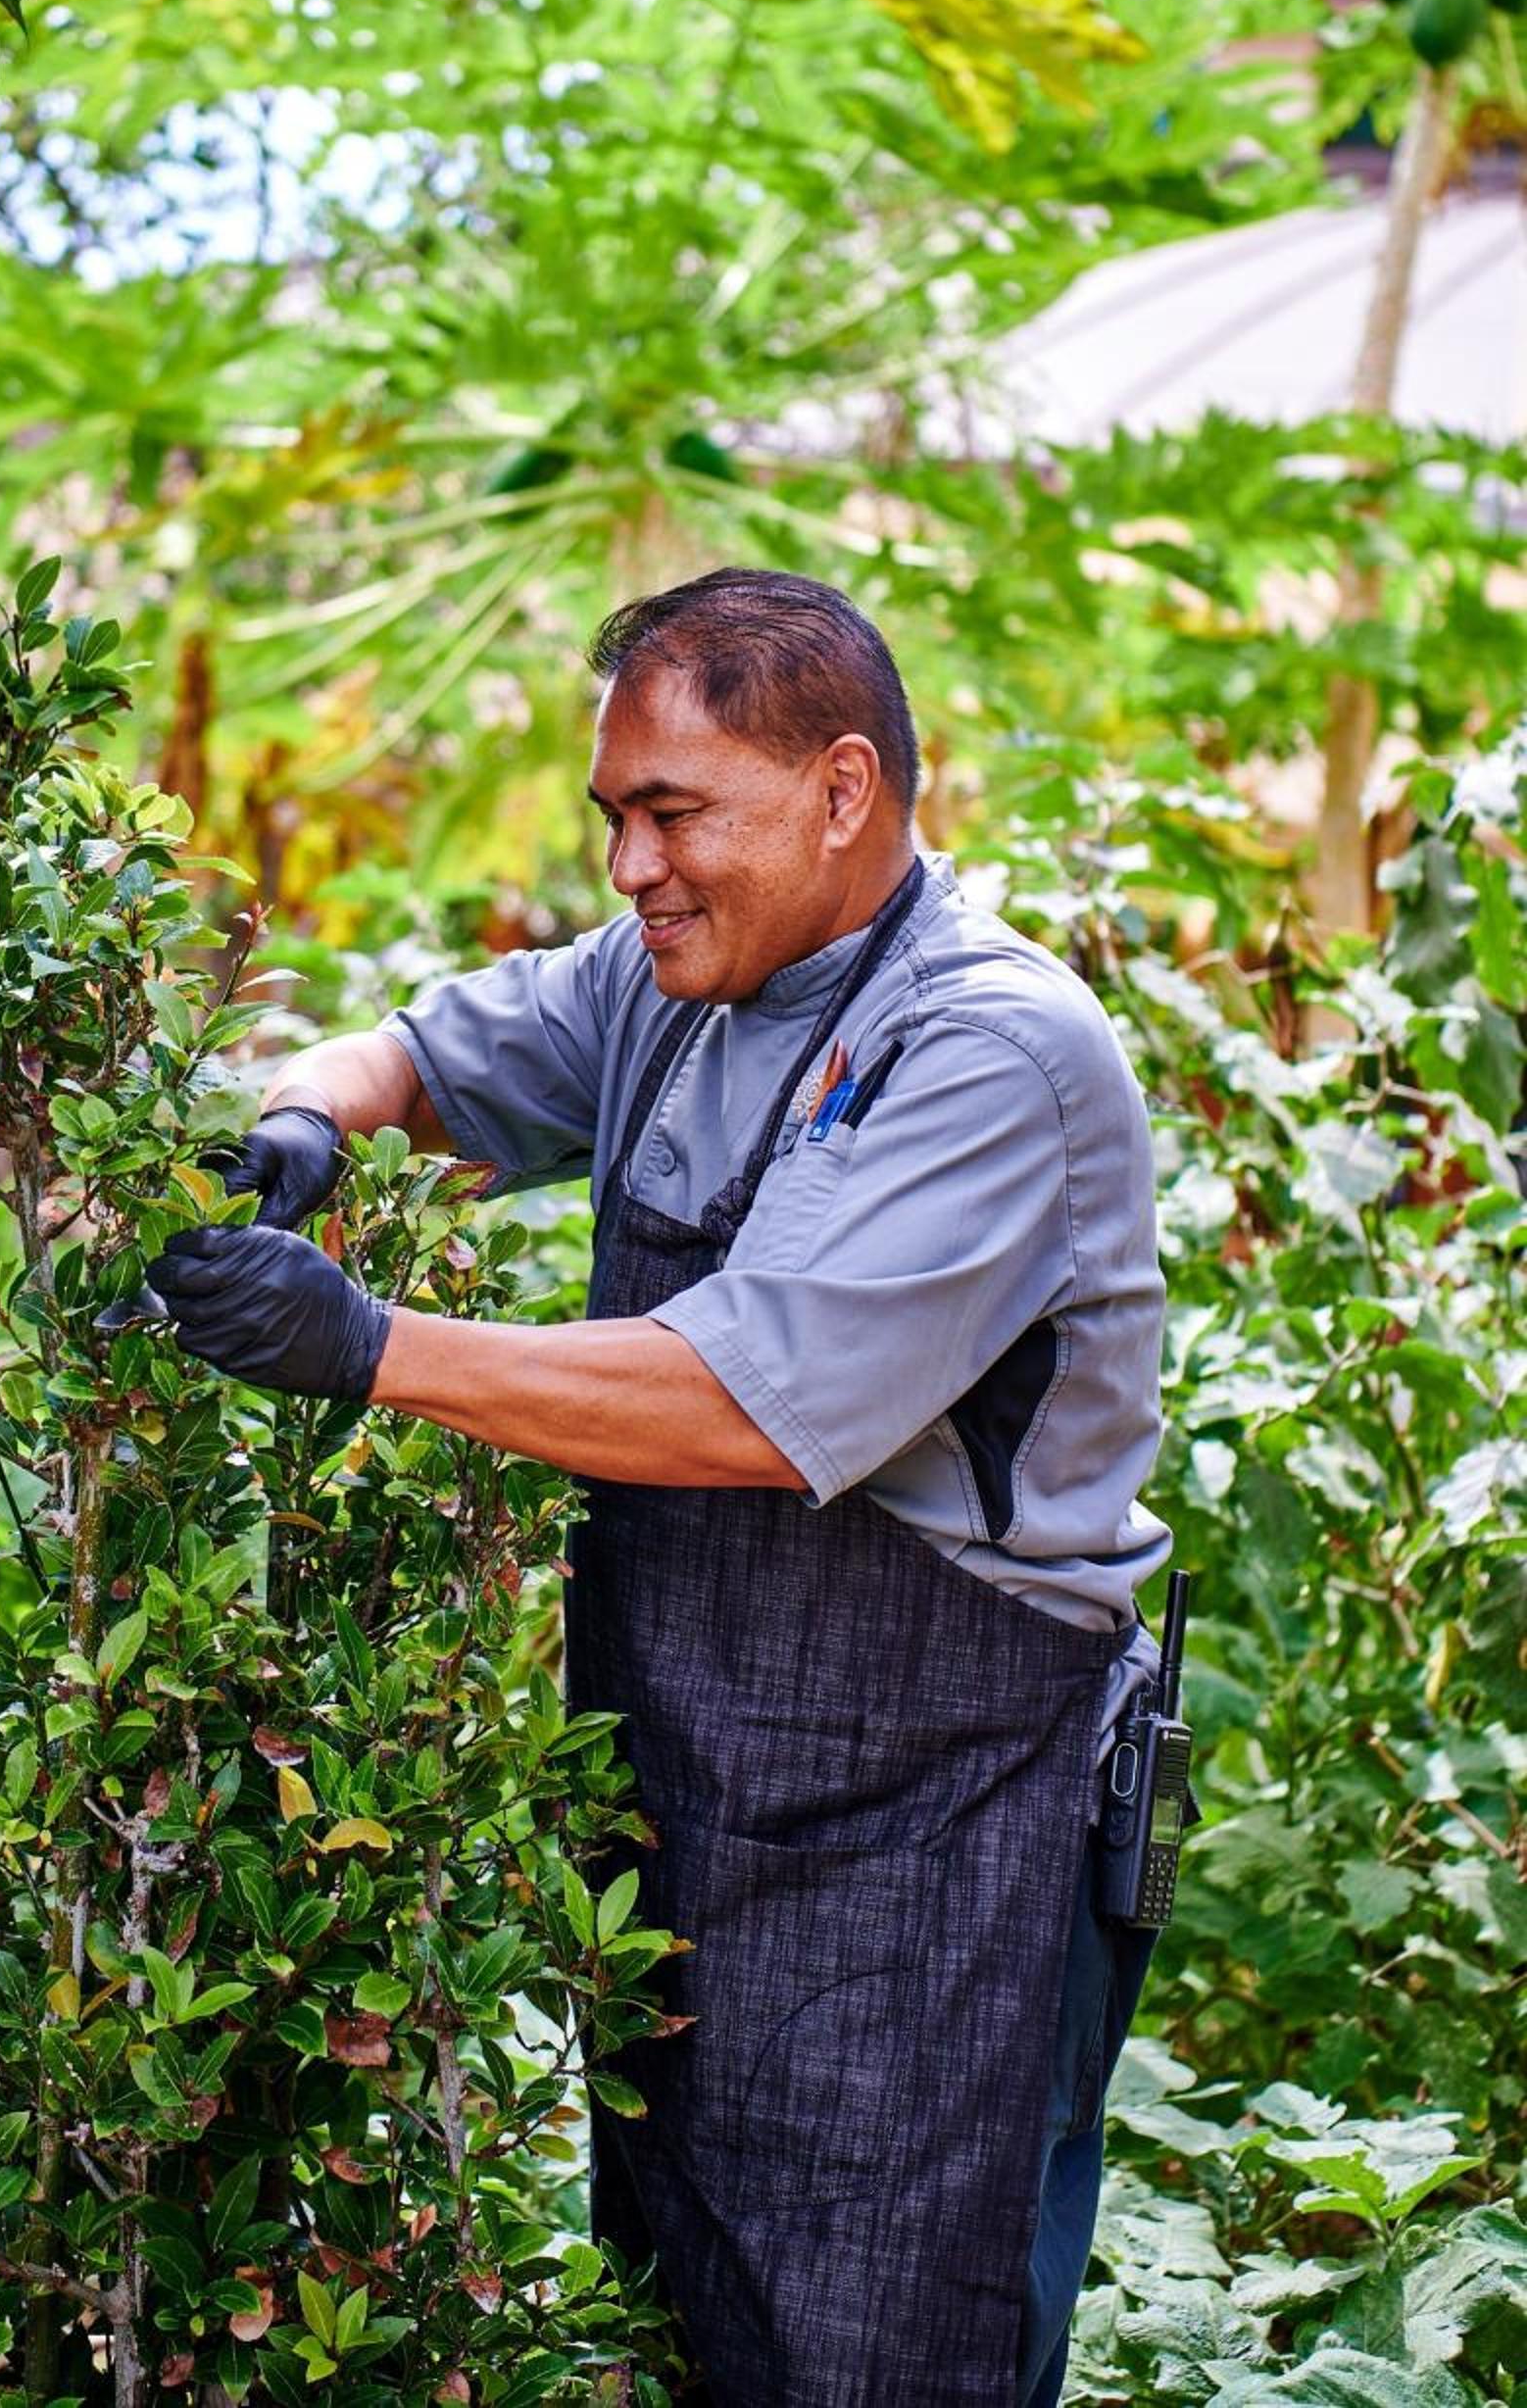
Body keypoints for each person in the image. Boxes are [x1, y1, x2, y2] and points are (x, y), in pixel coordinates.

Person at [137, 568, 1171, 2408]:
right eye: (618, 816)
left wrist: (363, 1342)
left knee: (880, 2353)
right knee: (685, 2327)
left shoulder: (987, 1050)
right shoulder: (681, 982)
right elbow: (434, 1055)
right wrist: (303, 1110)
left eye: (674, 813)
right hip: (700, 1823)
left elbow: (740, 1406)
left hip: (940, 1843)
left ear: (845, 791)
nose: (631, 866)